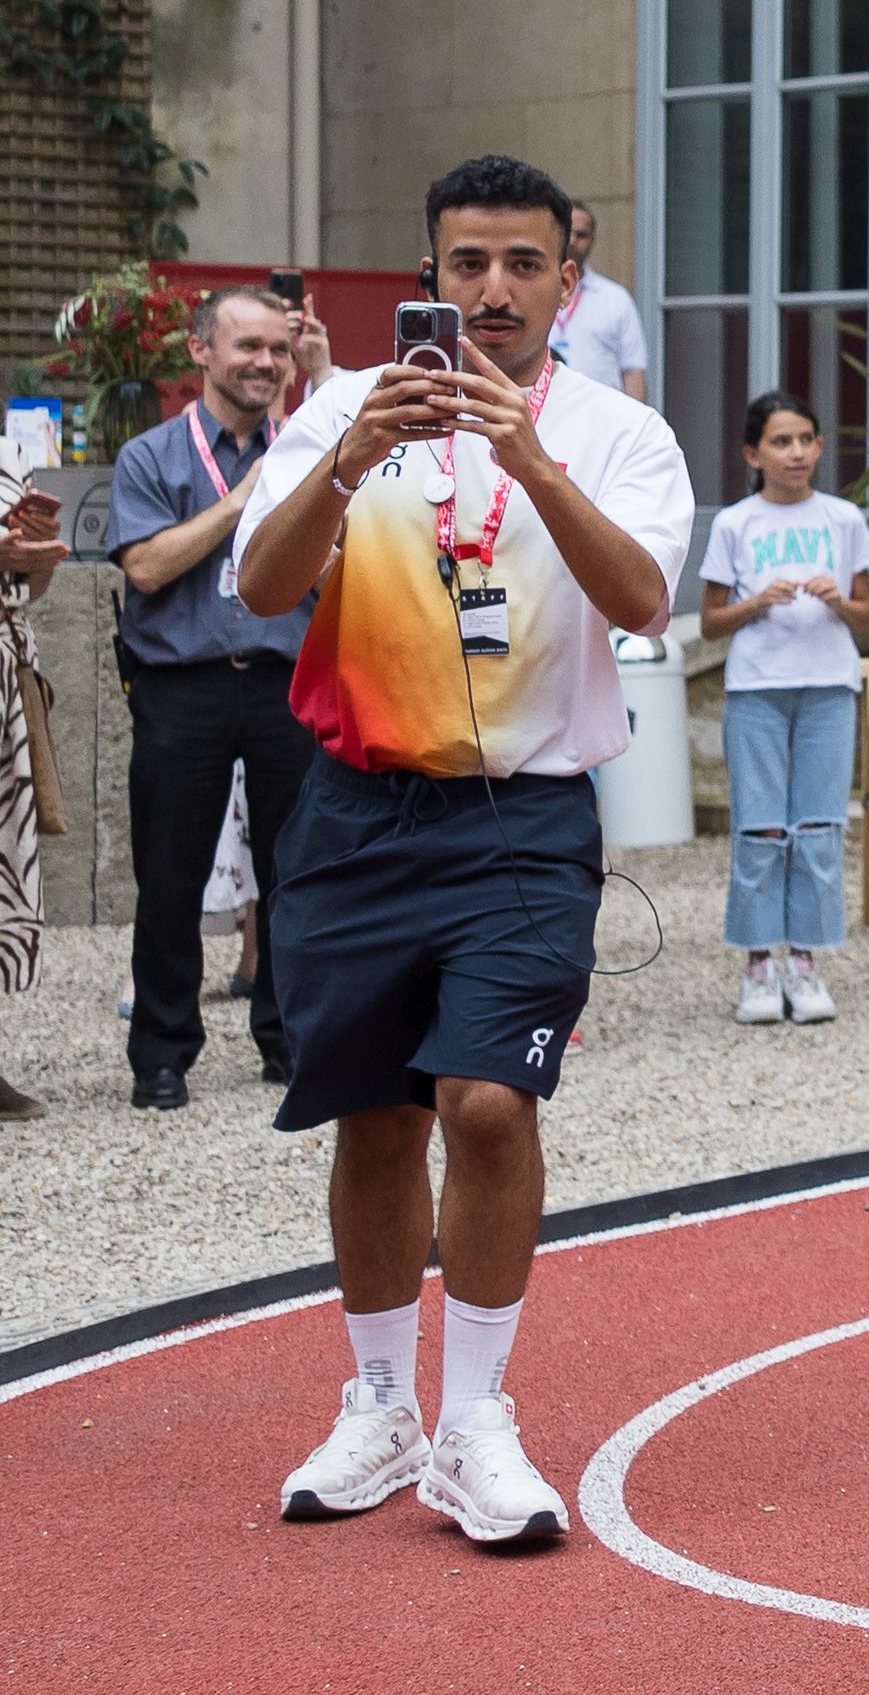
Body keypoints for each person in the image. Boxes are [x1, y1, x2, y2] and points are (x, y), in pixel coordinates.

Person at [234, 154, 696, 1547]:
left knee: (488, 1103)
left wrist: (531, 460)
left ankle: (476, 1416)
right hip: (356, 810)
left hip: (523, 816)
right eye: (466, 265)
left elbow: (645, 598)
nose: (492, 292)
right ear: (427, 274)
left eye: (523, 265)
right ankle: (379, 1402)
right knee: (373, 1114)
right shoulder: (336, 409)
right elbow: (259, 587)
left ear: (571, 273)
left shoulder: (619, 431)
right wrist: (350, 457)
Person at [106, 285, 332, 1110]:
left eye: (277, 350)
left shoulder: (311, 455)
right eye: (247, 348)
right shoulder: (152, 458)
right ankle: (161, 1055)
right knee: (169, 876)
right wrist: (242, 504)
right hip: (182, 689)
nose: (265, 364)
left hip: (285, 684)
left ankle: (292, 1041)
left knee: (297, 873)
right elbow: (145, 567)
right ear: (201, 352)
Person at [699, 389, 869, 1024]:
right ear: (753, 453)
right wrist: (756, 601)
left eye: (805, 439)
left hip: (830, 685)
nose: (796, 452)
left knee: (820, 827)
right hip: (756, 690)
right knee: (760, 828)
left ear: (821, 446)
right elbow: (712, 623)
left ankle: (805, 963)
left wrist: (837, 600)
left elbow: (867, 617)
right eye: (780, 441)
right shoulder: (734, 524)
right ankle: (756, 967)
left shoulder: (843, 519)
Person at [0, 480, 61, 1121]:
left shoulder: (7, 458)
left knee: (3, 866)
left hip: (5, 670)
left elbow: (25, 593)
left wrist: (32, 560)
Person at [552, 204, 649, 401]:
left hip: (602, 419)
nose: (572, 241)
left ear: (592, 240)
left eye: (581, 235)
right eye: (567, 232)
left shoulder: (615, 298)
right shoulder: (531, 292)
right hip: (539, 415)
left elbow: (633, 369)